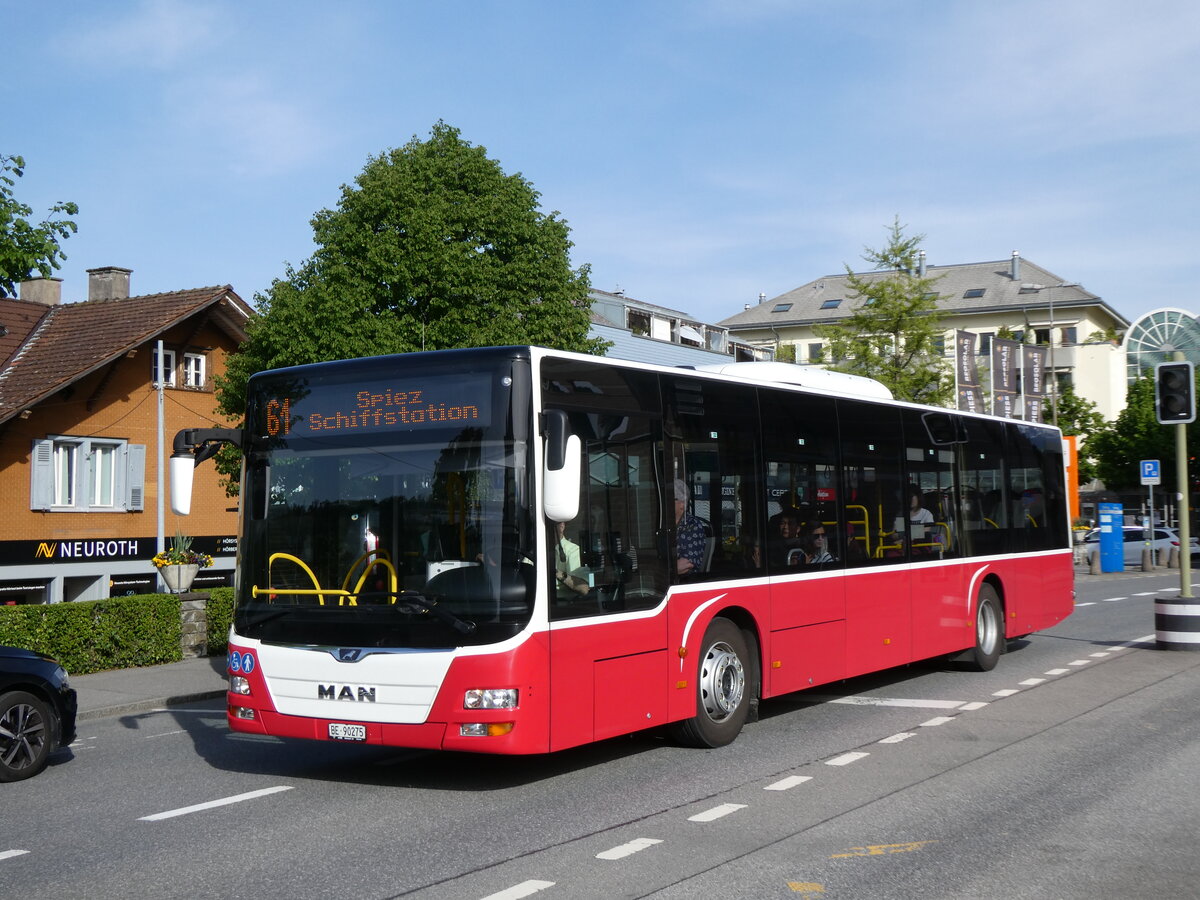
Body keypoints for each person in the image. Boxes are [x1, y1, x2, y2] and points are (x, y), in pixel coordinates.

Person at [673, 479, 709, 576]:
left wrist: (668, 569)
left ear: (682, 504)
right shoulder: (663, 524)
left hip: (684, 584)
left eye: (670, 498)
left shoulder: (692, 525)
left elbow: (686, 565)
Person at [552, 520, 589, 596]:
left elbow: (584, 588)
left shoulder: (573, 550)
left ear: (561, 526)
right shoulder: (538, 549)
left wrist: (556, 573)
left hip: (561, 604)